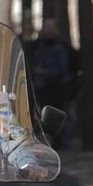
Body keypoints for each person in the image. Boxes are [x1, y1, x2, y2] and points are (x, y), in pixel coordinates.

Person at [29, 18, 74, 148]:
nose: (47, 31)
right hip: (42, 88)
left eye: (50, 28)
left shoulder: (60, 48)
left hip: (56, 87)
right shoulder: (38, 47)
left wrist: (45, 72)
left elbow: (61, 69)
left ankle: (61, 142)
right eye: (46, 28)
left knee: (58, 115)